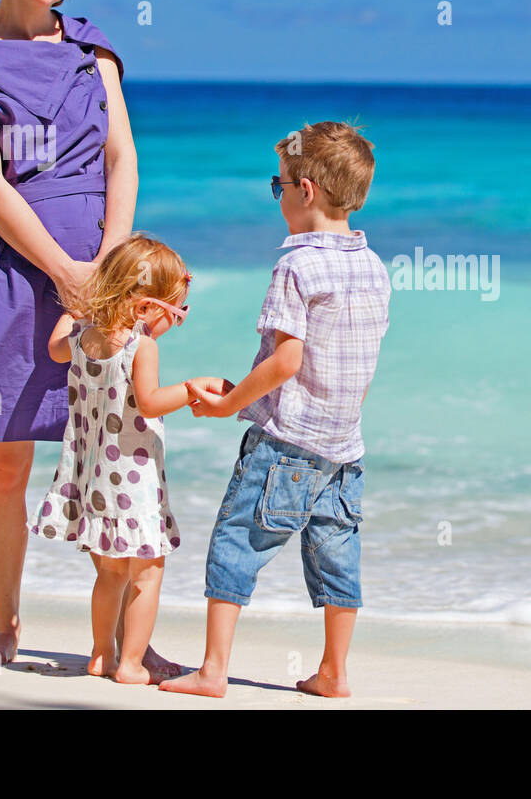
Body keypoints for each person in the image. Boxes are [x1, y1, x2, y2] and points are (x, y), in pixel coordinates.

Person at [0, 0, 176, 676]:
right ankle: (5, 628)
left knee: (121, 451)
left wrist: (110, 267)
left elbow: (121, 157)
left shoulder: (92, 48)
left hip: (100, 270)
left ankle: (122, 643)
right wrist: (65, 272)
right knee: (5, 462)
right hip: (11, 268)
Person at [160, 120, 391, 699]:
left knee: (237, 543)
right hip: (345, 448)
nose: (278, 196)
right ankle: (334, 673)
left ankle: (213, 671)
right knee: (338, 557)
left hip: (286, 440)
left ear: (305, 190)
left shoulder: (296, 265)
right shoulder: (376, 268)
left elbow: (287, 360)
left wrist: (228, 405)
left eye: (279, 184)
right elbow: (360, 364)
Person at [30, 234, 192, 684]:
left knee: (110, 573)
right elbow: (151, 401)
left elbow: (54, 347)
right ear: (143, 308)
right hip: (133, 480)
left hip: (94, 478)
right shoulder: (142, 347)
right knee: (147, 572)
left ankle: (101, 654)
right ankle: (131, 664)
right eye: (174, 313)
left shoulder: (83, 339)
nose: (175, 323)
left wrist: (76, 309)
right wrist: (193, 389)